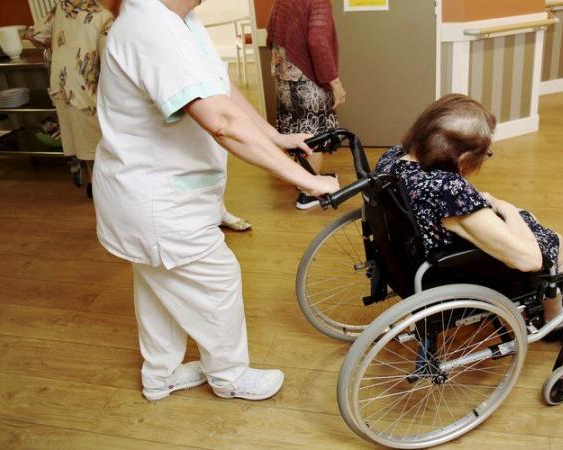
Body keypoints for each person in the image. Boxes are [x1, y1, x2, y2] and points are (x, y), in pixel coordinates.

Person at [93, 0, 339, 402]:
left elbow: (220, 86)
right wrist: (304, 180)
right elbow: (221, 122)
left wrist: (274, 136)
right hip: (157, 201)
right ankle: (229, 376)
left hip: (150, 194)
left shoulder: (180, 20)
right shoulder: (154, 29)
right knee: (215, 281)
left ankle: (162, 374)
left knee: (157, 284)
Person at [375, 94, 563, 325]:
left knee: (528, 217)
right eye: (485, 154)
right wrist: (507, 210)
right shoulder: (449, 190)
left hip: (407, 256)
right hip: (451, 269)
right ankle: (556, 320)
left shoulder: (393, 158)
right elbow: (530, 262)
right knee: (554, 240)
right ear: (464, 156)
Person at [27, 0, 121, 197]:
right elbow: (110, 59)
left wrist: (63, 40)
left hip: (61, 85)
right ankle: (104, 190)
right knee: (100, 142)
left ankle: (93, 183)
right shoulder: (106, 14)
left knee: (85, 143)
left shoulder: (64, 5)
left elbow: (36, 35)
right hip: (86, 87)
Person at [267, 0, 345, 209]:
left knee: (295, 133)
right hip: (307, 79)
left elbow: (271, 33)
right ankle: (307, 194)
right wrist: (335, 83)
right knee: (313, 136)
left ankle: (303, 179)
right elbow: (318, 41)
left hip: (285, 76)